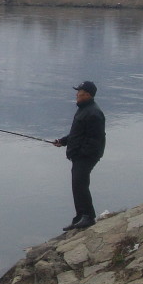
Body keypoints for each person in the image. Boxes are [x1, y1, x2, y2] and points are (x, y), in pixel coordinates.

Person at [52, 81, 105, 231]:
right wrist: (63, 141)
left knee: (80, 185)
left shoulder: (94, 113)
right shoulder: (83, 109)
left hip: (86, 157)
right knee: (77, 185)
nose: (77, 94)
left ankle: (88, 217)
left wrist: (81, 153)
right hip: (79, 156)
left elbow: (95, 139)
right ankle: (79, 217)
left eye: (80, 92)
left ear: (87, 95)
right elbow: (77, 134)